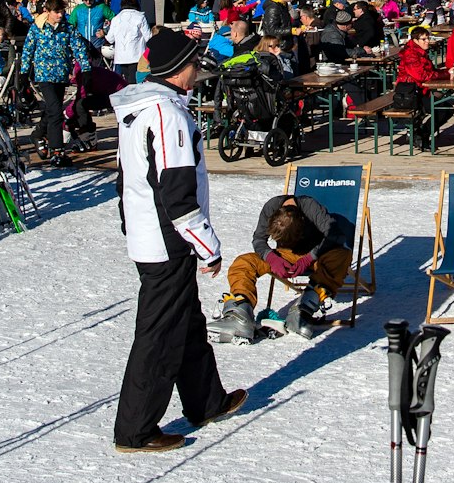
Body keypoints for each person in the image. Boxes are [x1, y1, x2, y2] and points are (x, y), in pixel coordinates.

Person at [111, 31, 245, 452]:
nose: (198, 72)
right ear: (179, 68)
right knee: (159, 334)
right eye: (194, 65)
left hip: (150, 230)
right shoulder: (168, 114)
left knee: (186, 321)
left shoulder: (140, 107)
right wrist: (208, 246)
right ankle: (135, 430)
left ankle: (206, 401)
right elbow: (176, 191)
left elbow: (125, 177)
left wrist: (129, 222)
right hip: (167, 238)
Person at [207, 193, 353, 343]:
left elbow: (336, 235)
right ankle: (239, 314)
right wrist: (271, 257)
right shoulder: (271, 207)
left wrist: (309, 257)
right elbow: (258, 239)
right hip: (284, 254)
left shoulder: (310, 208)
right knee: (244, 262)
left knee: (342, 255)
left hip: (315, 253)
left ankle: (303, 310)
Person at [23, 0, 89, 158]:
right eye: (57, 12)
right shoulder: (37, 28)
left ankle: (38, 134)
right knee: (55, 111)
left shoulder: (67, 28)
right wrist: (23, 73)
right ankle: (57, 149)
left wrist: (86, 69)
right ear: (48, 12)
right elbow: (28, 49)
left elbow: (78, 48)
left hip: (61, 75)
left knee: (53, 110)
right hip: (44, 75)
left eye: (62, 12)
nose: (60, 15)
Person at [394, 24, 448, 152]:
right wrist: (444, 74)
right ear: (415, 41)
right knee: (443, 109)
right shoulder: (410, 54)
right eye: (424, 39)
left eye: (428, 38)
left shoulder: (421, 52)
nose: (427, 41)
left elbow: (430, 72)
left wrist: (444, 73)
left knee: (445, 107)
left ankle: (421, 134)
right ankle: (421, 134)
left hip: (420, 91)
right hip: (410, 94)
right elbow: (421, 76)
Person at [108, 0, 151, 84]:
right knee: (135, 81)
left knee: (126, 81)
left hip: (121, 57)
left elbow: (110, 38)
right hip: (137, 56)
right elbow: (148, 37)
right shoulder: (140, 17)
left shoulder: (116, 19)